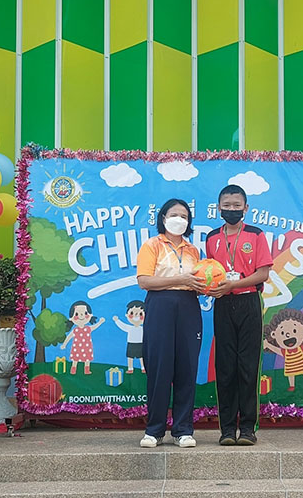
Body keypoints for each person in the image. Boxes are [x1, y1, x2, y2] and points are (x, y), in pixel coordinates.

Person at [206, 184, 273, 446]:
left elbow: (263, 273)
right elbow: (210, 272)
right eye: (226, 205)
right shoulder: (212, 237)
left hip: (249, 302)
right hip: (223, 304)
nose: (231, 209)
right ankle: (226, 430)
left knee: (248, 366)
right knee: (225, 367)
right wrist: (213, 288)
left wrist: (234, 284)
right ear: (218, 208)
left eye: (236, 205)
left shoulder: (256, 235)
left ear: (246, 208)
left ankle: (247, 429)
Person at [136, 199, 203, 448]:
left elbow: (197, 281)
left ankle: (183, 430)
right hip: (160, 305)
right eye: (174, 215)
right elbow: (144, 281)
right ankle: (154, 430)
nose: (179, 220)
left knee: (187, 367)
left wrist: (205, 285)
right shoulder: (152, 245)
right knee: (159, 367)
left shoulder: (193, 250)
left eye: (184, 216)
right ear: (163, 218)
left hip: (188, 307)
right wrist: (180, 279)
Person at [60, 300, 105, 375]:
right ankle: (73, 369)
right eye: (77, 314)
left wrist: (100, 322)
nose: (81, 315)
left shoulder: (88, 328)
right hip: (77, 347)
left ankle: (87, 370)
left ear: (90, 315)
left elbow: (95, 326)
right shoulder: (75, 330)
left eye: (85, 313)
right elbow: (69, 337)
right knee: (75, 359)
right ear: (71, 318)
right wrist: (64, 344)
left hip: (87, 347)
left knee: (87, 359)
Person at [112, 300, 146, 374]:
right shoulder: (130, 328)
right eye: (132, 313)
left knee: (141, 357)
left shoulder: (143, 328)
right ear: (127, 315)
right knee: (130, 357)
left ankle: (143, 367)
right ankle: (130, 368)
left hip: (140, 343)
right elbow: (122, 326)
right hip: (131, 343)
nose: (136, 316)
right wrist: (117, 321)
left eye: (140, 314)